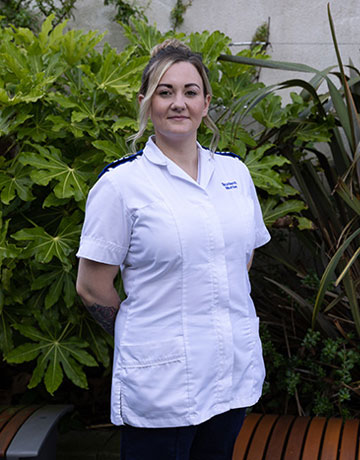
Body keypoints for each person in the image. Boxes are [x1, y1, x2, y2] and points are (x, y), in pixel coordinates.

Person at [76, 39, 271, 460]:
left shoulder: (234, 173)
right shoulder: (121, 186)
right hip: (162, 386)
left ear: (206, 103)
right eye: (165, 92)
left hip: (230, 374)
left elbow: (242, 259)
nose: (178, 103)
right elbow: (92, 287)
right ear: (145, 102)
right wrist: (144, 336)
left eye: (190, 92)